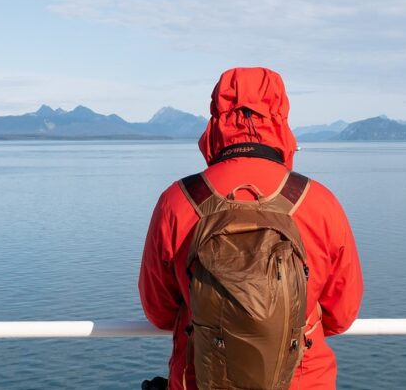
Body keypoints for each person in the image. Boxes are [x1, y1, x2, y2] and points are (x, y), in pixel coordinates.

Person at [139, 67, 363, 390]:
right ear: (281, 119)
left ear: (215, 120)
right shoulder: (319, 204)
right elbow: (342, 315)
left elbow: (158, 311)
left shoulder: (177, 203)